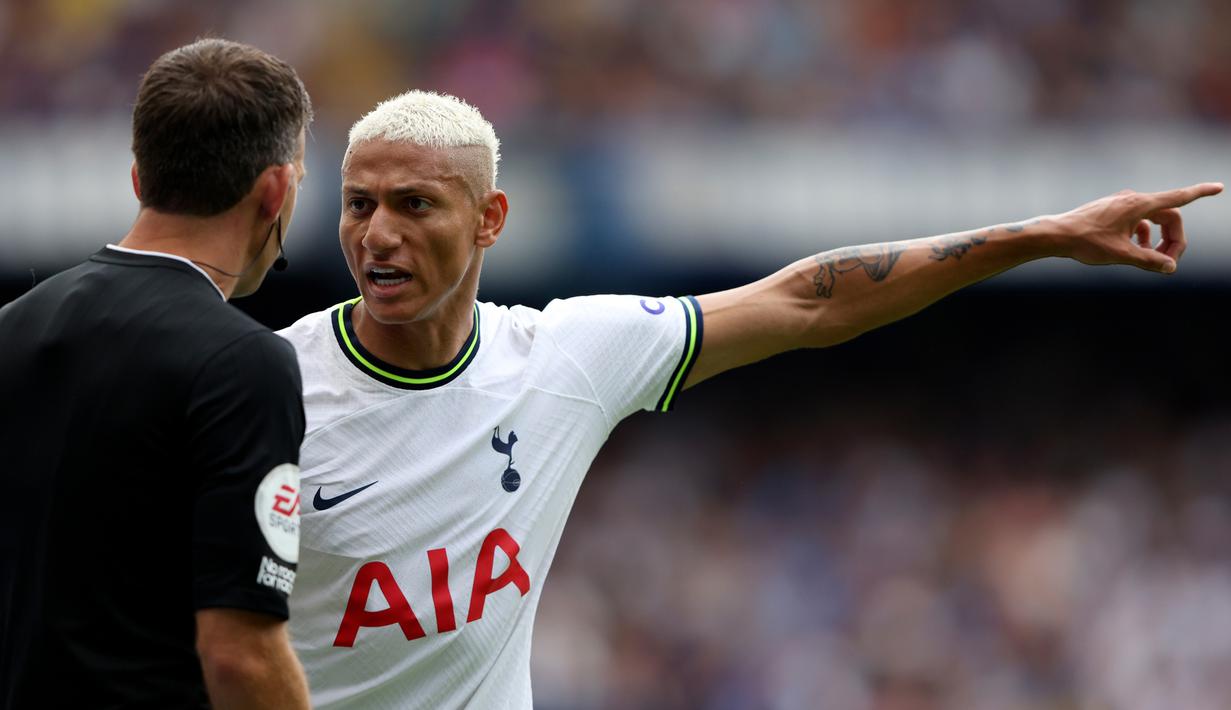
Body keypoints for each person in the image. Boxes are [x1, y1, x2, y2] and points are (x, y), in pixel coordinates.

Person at [277, 90, 1222, 709]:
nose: (377, 234)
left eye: (413, 204)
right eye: (359, 204)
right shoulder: (269, 386)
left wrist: (1043, 235)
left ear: (489, 220)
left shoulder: (561, 357)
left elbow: (808, 300)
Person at [0, 39, 313, 709]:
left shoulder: (12, 327)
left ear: (139, 178)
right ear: (276, 190)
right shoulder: (242, 363)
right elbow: (239, 654)